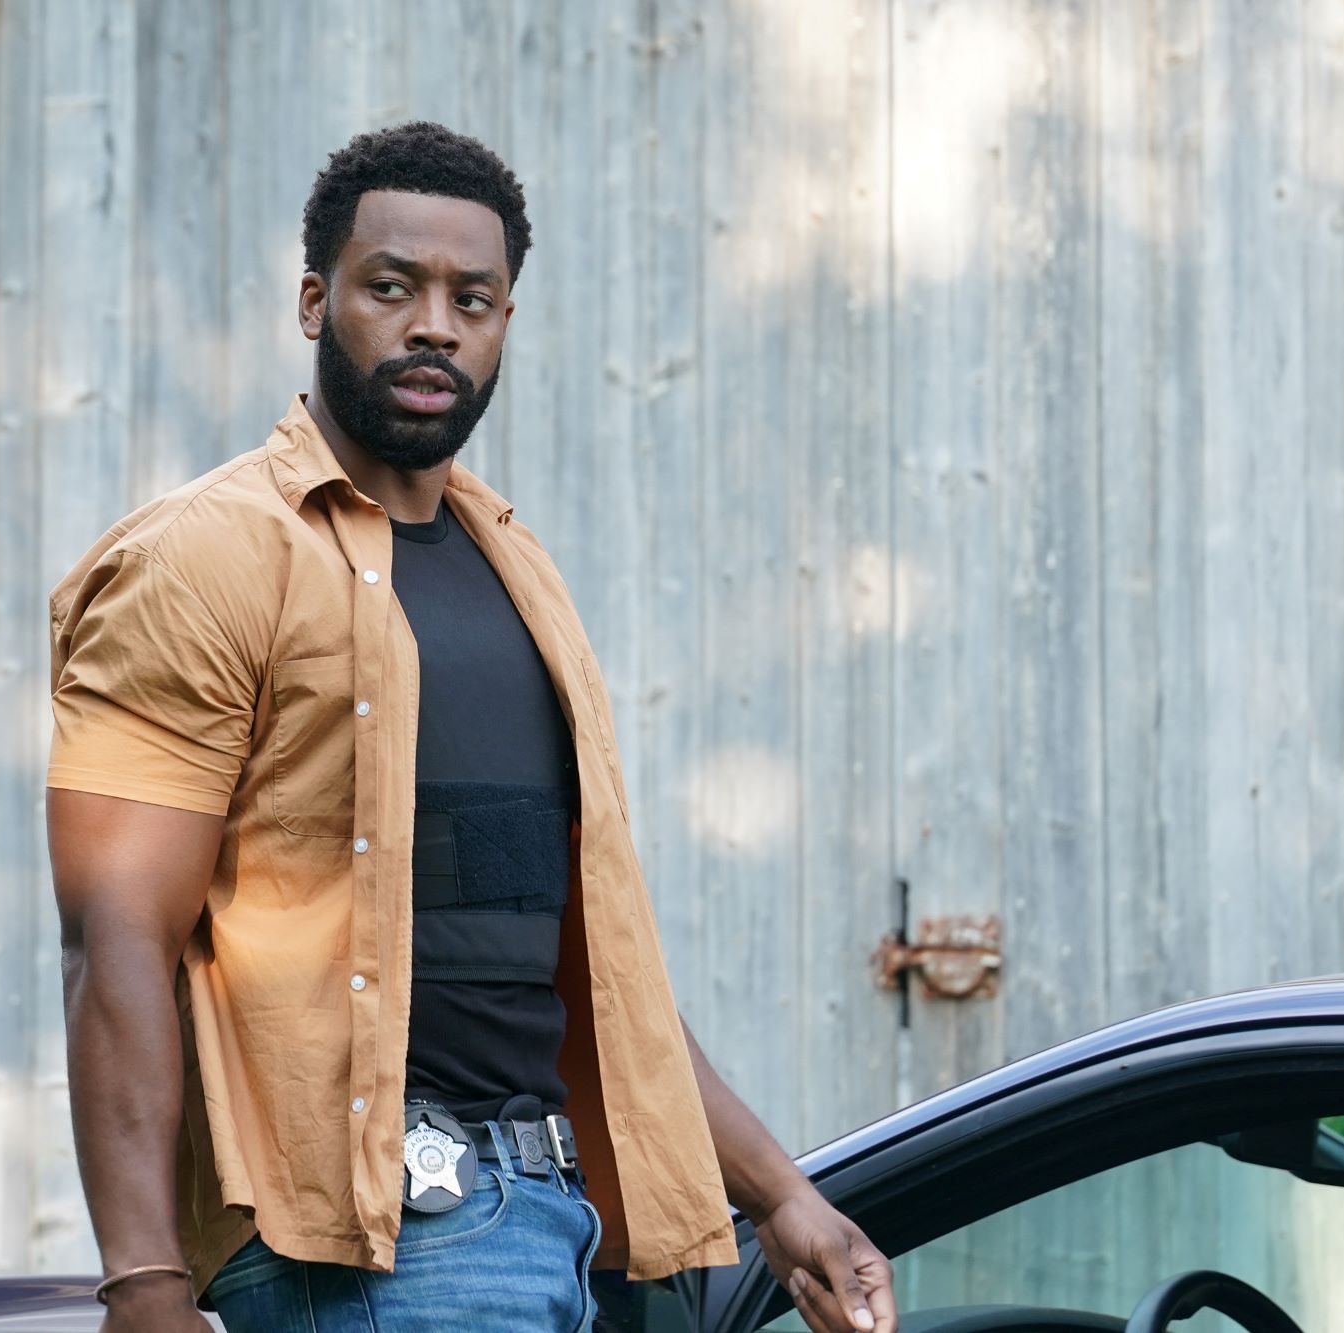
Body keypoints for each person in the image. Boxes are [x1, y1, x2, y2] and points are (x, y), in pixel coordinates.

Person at [44, 120, 897, 1333]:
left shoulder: (514, 566)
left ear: (503, 322)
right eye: (390, 287)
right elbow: (114, 927)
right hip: (375, 1246)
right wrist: (142, 1285)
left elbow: (586, 968)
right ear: (313, 301)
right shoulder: (206, 556)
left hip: (554, 1222)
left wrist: (781, 1197)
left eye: (472, 297)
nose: (432, 323)